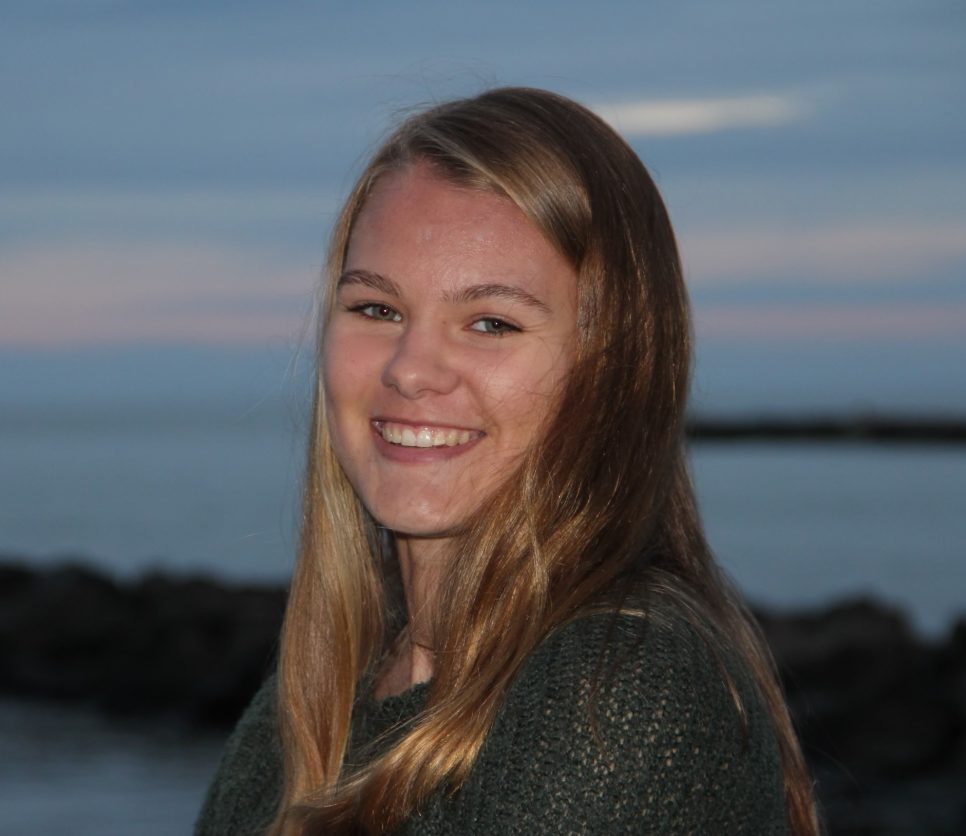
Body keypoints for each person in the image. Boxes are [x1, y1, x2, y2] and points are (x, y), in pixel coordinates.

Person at [196, 87, 820, 835]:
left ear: (614, 367)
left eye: (491, 322)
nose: (411, 369)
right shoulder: (319, 697)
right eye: (376, 309)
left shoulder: (616, 689)